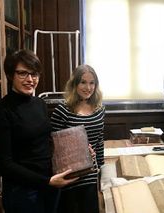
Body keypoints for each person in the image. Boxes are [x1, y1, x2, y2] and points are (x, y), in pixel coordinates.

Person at [0, 49, 77, 213]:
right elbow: (3, 165)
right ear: (10, 75)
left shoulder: (39, 104)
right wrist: (46, 181)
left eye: (34, 74)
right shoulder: (0, 112)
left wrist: (78, 153)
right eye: (23, 74)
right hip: (23, 192)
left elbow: (46, 143)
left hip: (51, 184)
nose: (30, 79)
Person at [50, 64, 105, 213]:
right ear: (75, 84)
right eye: (83, 82)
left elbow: (99, 140)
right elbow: (53, 146)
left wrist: (101, 168)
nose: (88, 87)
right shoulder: (62, 110)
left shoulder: (99, 109)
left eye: (92, 83)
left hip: (91, 175)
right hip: (70, 177)